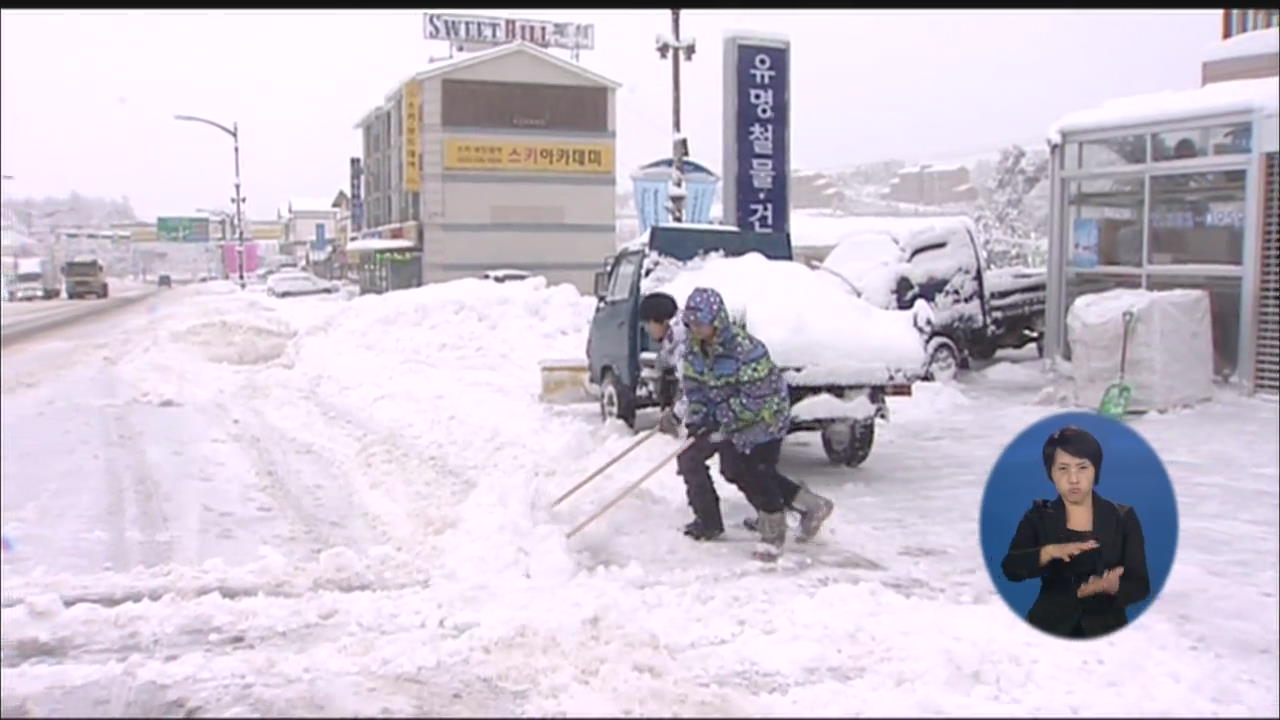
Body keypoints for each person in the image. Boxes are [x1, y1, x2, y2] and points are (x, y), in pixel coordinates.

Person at [676, 286, 835, 561]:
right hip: (729, 419)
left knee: (754, 470)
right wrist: (699, 417)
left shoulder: (746, 350)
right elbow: (695, 388)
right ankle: (811, 505)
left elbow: (756, 400)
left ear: (716, 321)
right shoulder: (694, 351)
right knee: (732, 469)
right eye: (691, 324)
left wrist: (720, 419)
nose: (696, 329)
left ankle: (773, 530)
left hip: (765, 418)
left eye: (701, 323)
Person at [1000, 426, 1151, 639]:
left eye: (1082, 468)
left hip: (1107, 631)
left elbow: (1140, 585)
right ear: (1050, 473)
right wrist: (1049, 552)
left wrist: (1112, 587)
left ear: (1095, 470)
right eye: (1062, 468)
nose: (1073, 479)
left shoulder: (1123, 517)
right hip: (1048, 628)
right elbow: (1011, 569)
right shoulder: (1039, 516)